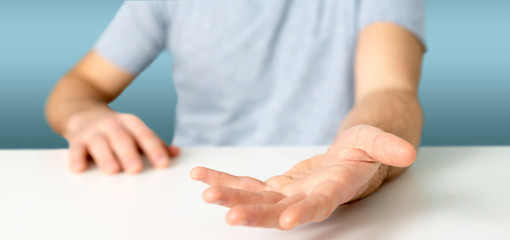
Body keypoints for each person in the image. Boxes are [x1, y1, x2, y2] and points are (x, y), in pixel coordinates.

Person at [45, 0, 425, 230]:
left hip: (338, 211)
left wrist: (367, 147)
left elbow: (389, 90)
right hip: (193, 200)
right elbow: (79, 84)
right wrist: (84, 116)